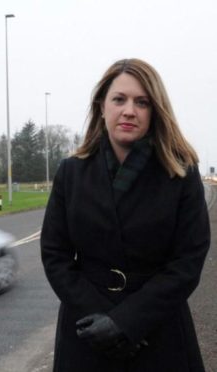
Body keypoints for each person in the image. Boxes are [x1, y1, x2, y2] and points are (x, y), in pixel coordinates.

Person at [40, 58, 210, 372]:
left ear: (155, 112)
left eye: (141, 102)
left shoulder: (181, 174)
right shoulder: (71, 173)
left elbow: (188, 261)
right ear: (102, 107)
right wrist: (102, 321)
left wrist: (127, 323)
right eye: (119, 99)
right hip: (87, 331)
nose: (129, 110)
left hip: (159, 334)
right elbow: (55, 255)